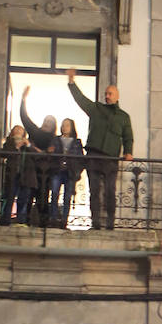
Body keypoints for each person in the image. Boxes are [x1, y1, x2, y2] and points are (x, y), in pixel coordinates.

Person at [65, 71, 133, 230]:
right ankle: (95, 222)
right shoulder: (96, 109)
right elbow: (81, 100)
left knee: (110, 192)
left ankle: (110, 223)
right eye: (106, 93)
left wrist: (128, 151)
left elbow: (128, 137)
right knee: (94, 191)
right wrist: (71, 83)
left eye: (110, 93)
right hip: (94, 156)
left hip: (111, 159)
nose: (107, 96)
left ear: (117, 96)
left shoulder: (123, 117)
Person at [19, 89, 61, 227]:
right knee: (28, 196)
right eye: (46, 120)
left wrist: (35, 148)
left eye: (50, 121)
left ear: (54, 125)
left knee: (43, 198)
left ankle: (43, 224)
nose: (47, 123)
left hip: (46, 173)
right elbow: (25, 118)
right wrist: (23, 100)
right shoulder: (36, 131)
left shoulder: (55, 139)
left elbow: (55, 154)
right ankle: (25, 221)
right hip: (32, 170)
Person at [0, 123, 37, 225]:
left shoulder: (29, 143)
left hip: (26, 174)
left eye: (20, 130)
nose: (18, 131)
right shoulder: (9, 142)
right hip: (13, 173)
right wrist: (16, 147)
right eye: (15, 130)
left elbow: (36, 156)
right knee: (10, 197)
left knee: (23, 198)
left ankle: (21, 220)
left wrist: (28, 145)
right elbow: (3, 154)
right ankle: (6, 220)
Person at [52, 117, 84, 228]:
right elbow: (51, 154)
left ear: (71, 128)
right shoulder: (55, 140)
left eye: (67, 125)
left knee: (67, 197)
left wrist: (77, 171)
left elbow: (81, 158)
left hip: (70, 172)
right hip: (57, 170)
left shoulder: (77, 142)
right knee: (54, 193)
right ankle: (54, 218)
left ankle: (64, 220)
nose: (65, 127)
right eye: (63, 125)